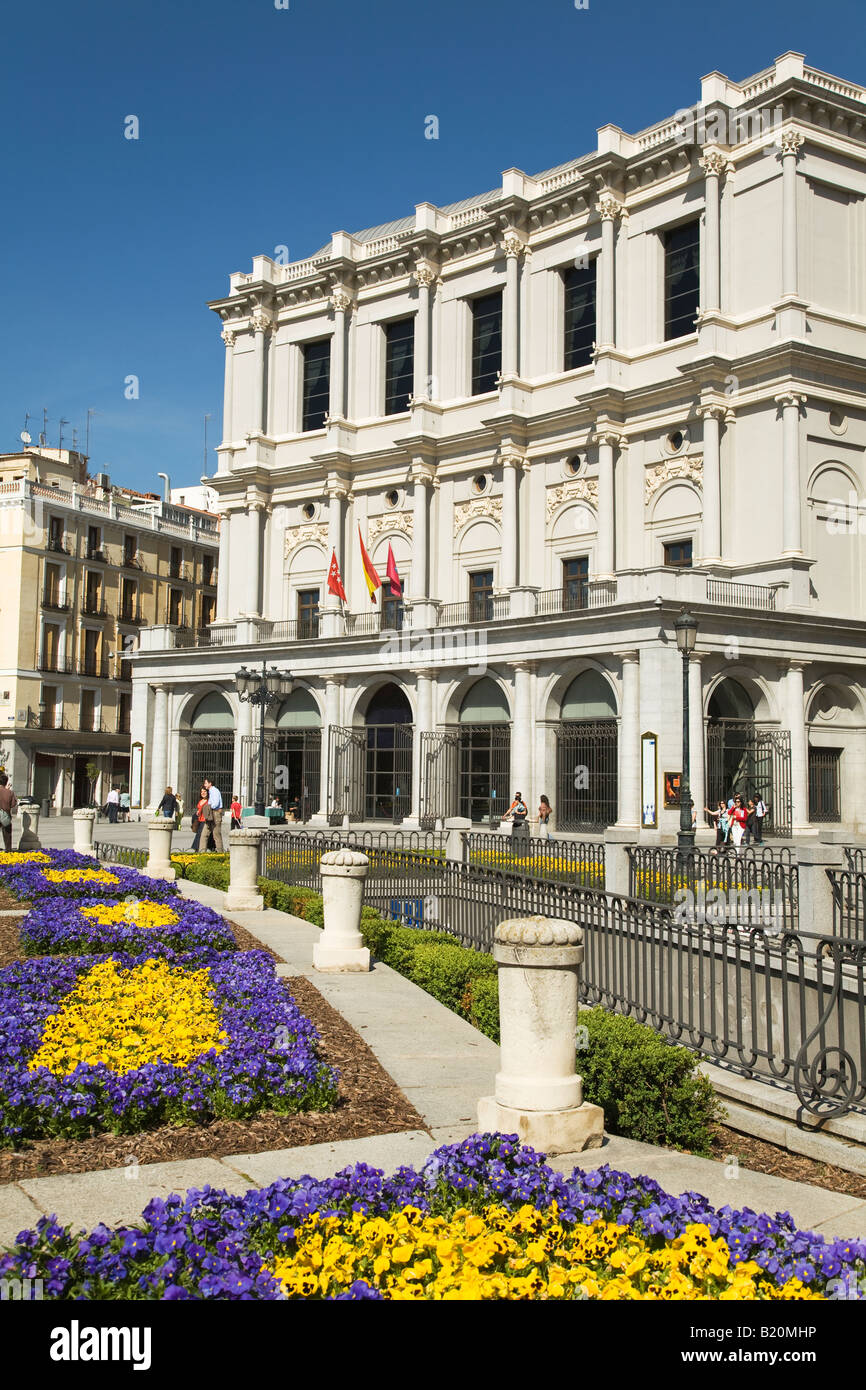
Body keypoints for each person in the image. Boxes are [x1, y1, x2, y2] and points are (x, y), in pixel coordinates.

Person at [191, 785, 213, 852]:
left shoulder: (209, 801)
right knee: (203, 836)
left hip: (205, 820)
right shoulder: (201, 801)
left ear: (208, 792)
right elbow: (199, 809)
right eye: (201, 792)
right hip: (199, 821)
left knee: (200, 835)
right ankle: (212, 848)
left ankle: (197, 849)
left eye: (204, 791)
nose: (203, 793)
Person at [204, 778, 224, 851]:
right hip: (211, 813)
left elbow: (215, 804)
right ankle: (201, 851)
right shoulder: (211, 791)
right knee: (204, 834)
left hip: (215, 813)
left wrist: (208, 807)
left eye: (206, 783)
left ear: (210, 783)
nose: (204, 785)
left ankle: (220, 852)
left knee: (216, 834)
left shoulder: (214, 791)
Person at [0, 773, 18, 852]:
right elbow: (13, 804)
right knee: (7, 833)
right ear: (6, 782)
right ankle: (8, 849)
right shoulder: (10, 792)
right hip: (5, 815)